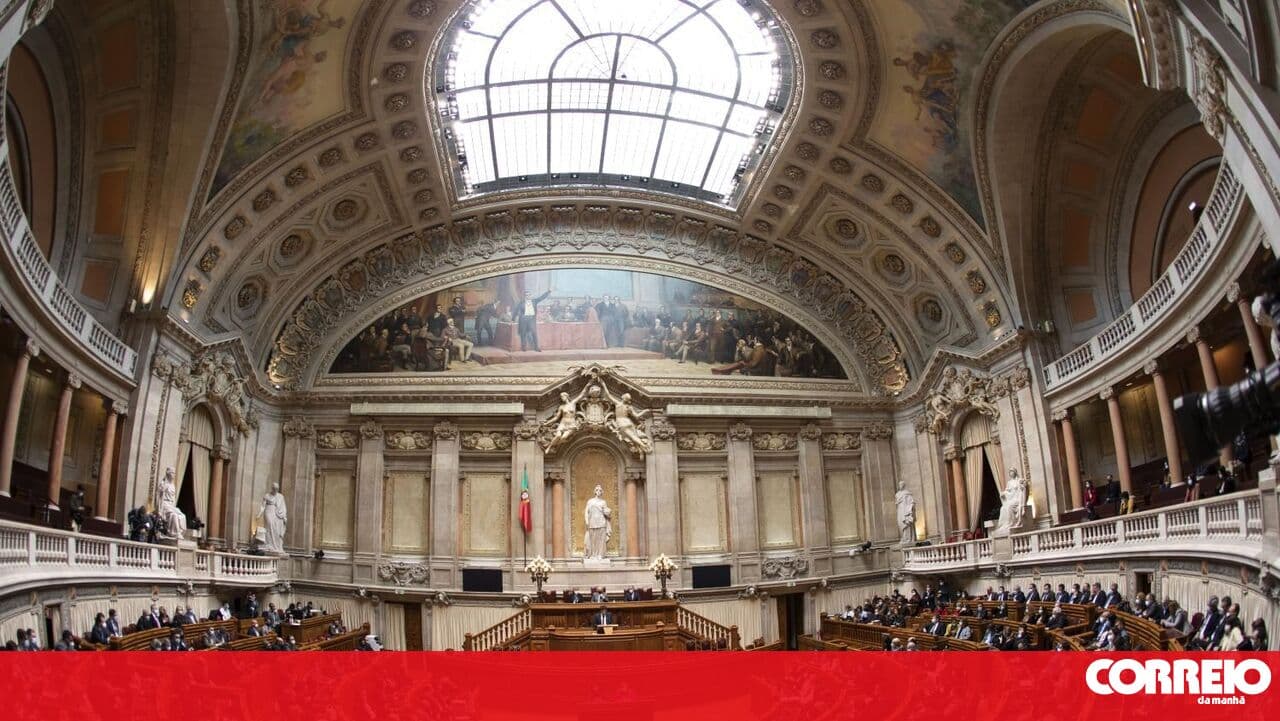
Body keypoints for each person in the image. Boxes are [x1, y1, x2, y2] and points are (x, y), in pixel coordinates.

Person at [256, 485, 288, 555]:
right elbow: (262, 506)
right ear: (272, 488)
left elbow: (283, 507)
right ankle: (268, 544)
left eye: (277, 489)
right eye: (274, 489)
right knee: (269, 525)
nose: (275, 490)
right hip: (268, 511)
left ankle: (274, 546)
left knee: (275, 529)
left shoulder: (280, 496)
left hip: (276, 513)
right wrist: (259, 514)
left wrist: (283, 516)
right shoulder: (267, 495)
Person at [583, 485, 612, 560]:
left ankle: (600, 554)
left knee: (601, 540)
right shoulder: (590, 501)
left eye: (600, 490)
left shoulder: (603, 502)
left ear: (601, 492)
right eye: (597, 490)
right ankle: (593, 554)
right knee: (593, 539)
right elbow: (586, 511)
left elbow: (606, 512)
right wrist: (586, 520)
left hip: (601, 522)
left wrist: (608, 512)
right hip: (592, 522)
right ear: (594, 491)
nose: (598, 491)